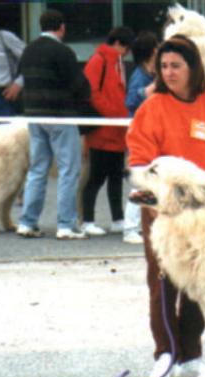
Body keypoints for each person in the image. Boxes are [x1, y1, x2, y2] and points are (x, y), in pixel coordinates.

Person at [126, 35, 205, 377]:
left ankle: (191, 352)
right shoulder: (151, 109)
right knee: (162, 281)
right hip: (164, 207)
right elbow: (139, 161)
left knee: (204, 282)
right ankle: (165, 353)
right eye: (163, 66)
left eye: (175, 66)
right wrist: (153, 208)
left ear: (192, 67)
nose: (168, 72)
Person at [16, 9, 91, 239]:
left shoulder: (28, 50)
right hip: (60, 116)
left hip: (35, 116)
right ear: (62, 27)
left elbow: (22, 80)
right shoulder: (63, 51)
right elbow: (80, 86)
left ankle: (27, 222)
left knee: (37, 169)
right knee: (69, 170)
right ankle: (66, 225)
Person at [80, 26, 134, 238]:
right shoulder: (99, 60)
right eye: (126, 48)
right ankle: (87, 220)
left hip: (115, 129)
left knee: (114, 177)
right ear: (120, 44)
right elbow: (91, 92)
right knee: (96, 178)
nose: (127, 53)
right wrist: (113, 114)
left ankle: (117, 219)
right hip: (104, 128)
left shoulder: (113, 61)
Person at [120, 30, 158, 245]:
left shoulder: (147, 73)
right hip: (139, 135)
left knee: (146, 179)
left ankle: (138, 225)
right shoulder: (140, 77)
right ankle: (130, 227)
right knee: (139, 180)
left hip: (147, 133)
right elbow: (131, 101)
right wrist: (148, 90)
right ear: (152, 51)